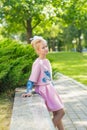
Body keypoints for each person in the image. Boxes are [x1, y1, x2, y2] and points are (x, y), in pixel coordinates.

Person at [22, 36, 65, 130]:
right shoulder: (38, 63)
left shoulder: (46, 61)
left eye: (46, 46)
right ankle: (48, 128)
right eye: (43, 47)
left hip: (50, 90)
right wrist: (28, 91)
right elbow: (31, 80)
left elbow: (49, 78)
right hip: (44, 90)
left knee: (56, 113)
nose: (46, 49)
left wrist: (53, 89)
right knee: (61, 112)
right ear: (38, 51)